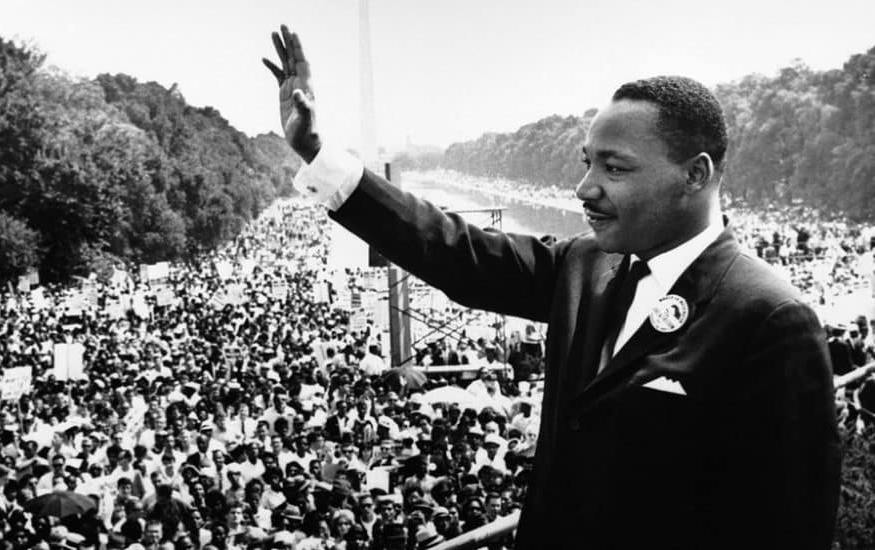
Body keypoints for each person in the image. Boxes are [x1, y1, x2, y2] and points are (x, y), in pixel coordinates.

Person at [262, 25, 840, 549]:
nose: (584, 189)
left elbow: (789, 527)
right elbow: (451, 249)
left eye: (614, 169)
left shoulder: (770, 319)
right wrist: (319, 154)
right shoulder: (585, 265)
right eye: (587, 163)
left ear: (696, 174)